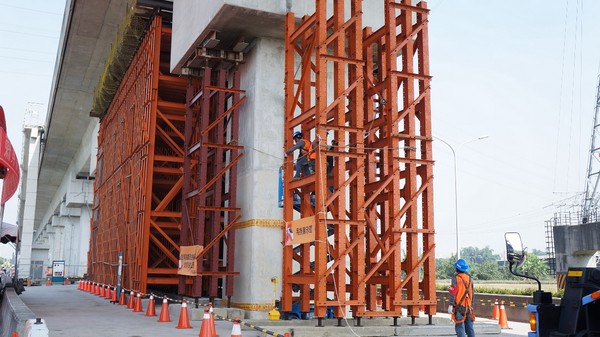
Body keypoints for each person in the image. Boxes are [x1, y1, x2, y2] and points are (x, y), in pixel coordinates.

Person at [448, 258, 475, 337]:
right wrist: (471, 306)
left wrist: (450, 304)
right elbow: (472, 293)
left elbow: (453, 292)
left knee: (460, 327)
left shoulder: (456, 278)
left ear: (457, 268)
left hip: (459, 307)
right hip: (468, 307)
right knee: (469, 327)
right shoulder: (469, 278)